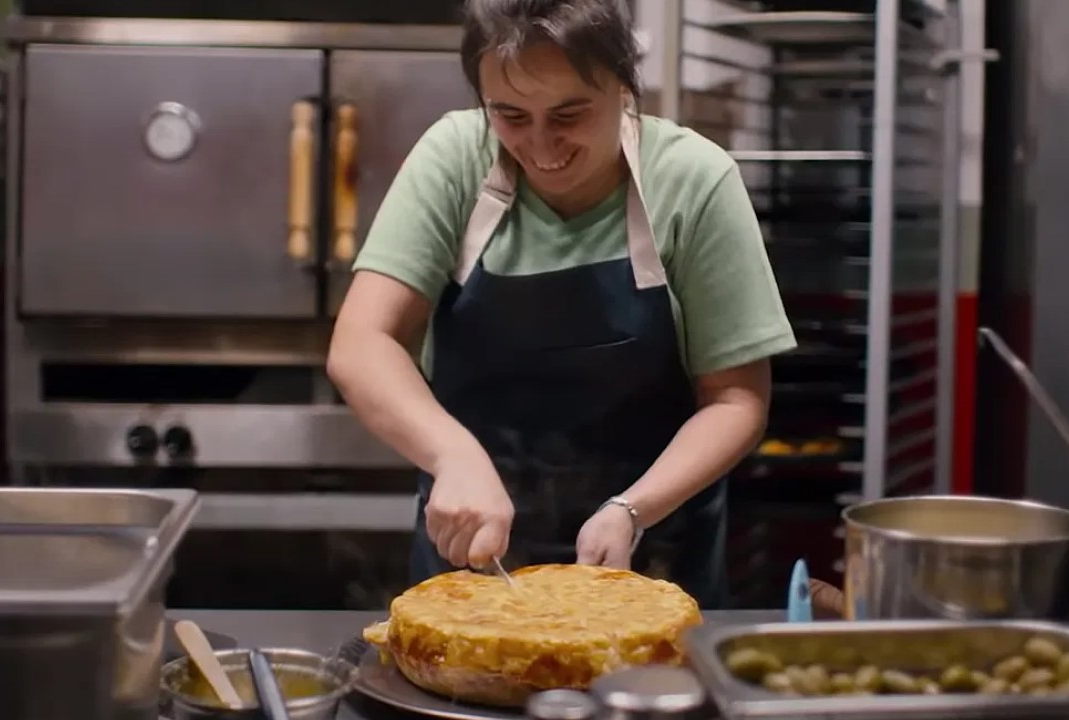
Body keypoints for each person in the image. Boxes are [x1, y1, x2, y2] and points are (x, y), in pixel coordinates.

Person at [327, 0, 795, 610]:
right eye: (510, 115)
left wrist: (632, 510)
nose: (541, 145)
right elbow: (361, 343)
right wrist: (453, 455)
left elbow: (736, 400)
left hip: (650, 560)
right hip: (473, 558)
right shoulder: (454, 159)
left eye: (570, 114)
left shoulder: (692, 181)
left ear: (625, 86)